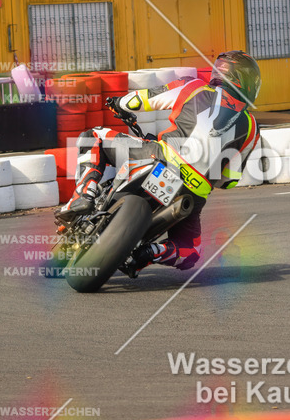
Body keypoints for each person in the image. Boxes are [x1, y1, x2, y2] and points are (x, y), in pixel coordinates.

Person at [55, 51, 262, 271]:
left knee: (93, 136)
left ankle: (84, 194)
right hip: (193, 193)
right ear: (246, 82)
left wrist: (119, 103)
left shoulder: (193, 87)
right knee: (191, 252)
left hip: (160, 157)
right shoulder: (252, 128)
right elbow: (228, 182)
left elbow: (138, 100)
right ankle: (151, 252)